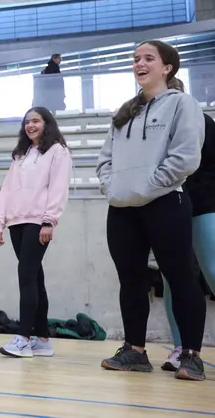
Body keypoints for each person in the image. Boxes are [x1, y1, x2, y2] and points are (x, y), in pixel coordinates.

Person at [95, 40, 206, 381]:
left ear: (167, 67)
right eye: (135, 59)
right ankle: (135, 350)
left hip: (165, 203)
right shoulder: (125, 112)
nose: (139, 64)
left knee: (181, 277)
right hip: (122, 209)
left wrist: (148, 186)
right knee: (130, 281)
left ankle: (190, 355)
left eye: (148, 58)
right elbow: (104, 161)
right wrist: (113, 188)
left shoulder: (183, 104)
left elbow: (186, 156)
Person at [0, 107, 72, 358]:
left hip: (39, 221)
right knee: (35, 277)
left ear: (47, 123)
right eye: (27, 122)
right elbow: (7, 189)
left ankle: (24, 337)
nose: (30, 125)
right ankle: (43, 339)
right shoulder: (20, 155)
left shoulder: (58, 152)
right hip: (16, 221)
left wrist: (49, 221)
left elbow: (59, 188)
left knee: (26, 275)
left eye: (36, 121)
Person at [160, 78, 215, 372]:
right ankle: (181, 348)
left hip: (205, 204)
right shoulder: (153, 131)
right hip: (169, 208)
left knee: (213, 270)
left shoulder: (203, 122)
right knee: (172, 280)